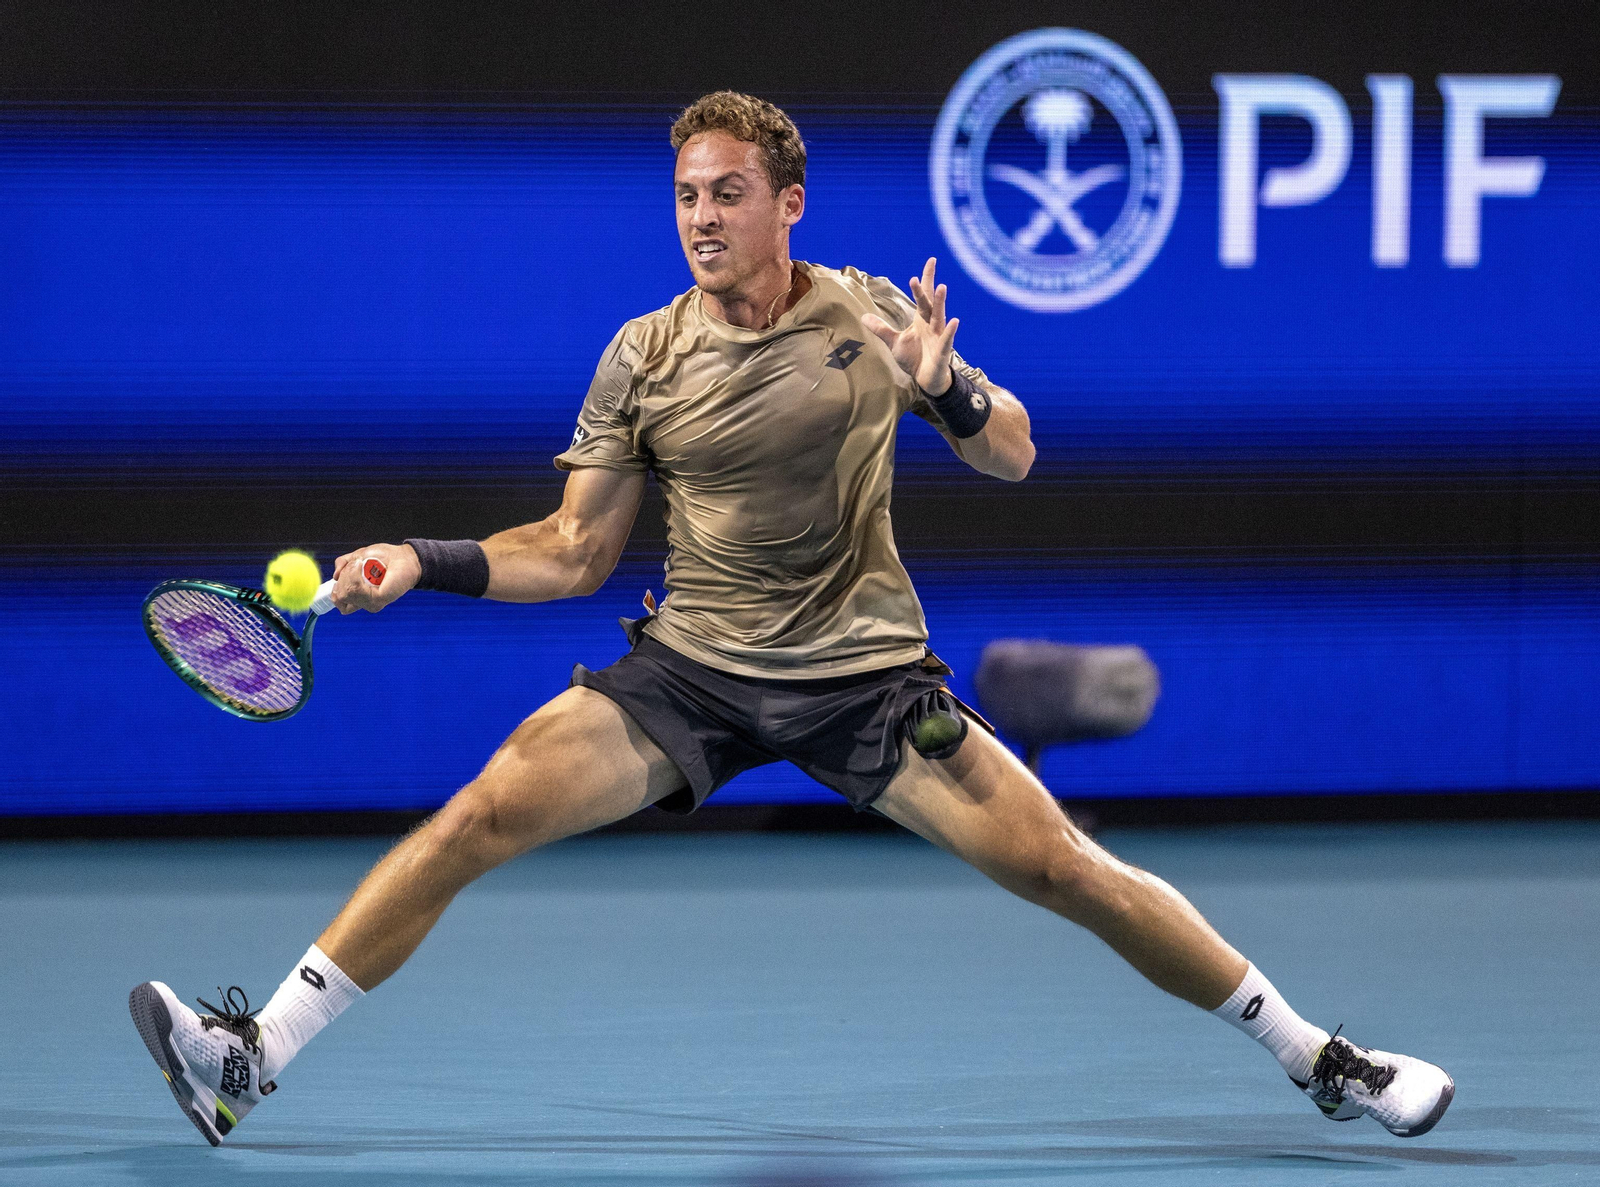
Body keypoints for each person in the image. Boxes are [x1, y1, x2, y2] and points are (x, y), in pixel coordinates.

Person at [128, 91, 1452, 1147]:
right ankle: (248, 1059)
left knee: (1063, 868)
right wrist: (421, 562)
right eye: (687, 198)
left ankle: (1321, 1058)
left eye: (728, 196)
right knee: (474, 815)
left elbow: (1020, 456)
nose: (703, 219)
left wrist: (946, 394)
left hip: (868, 679)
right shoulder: (643, 354)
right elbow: (575, 550)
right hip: (689, 672)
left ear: (787, 206)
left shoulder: (871, 314)